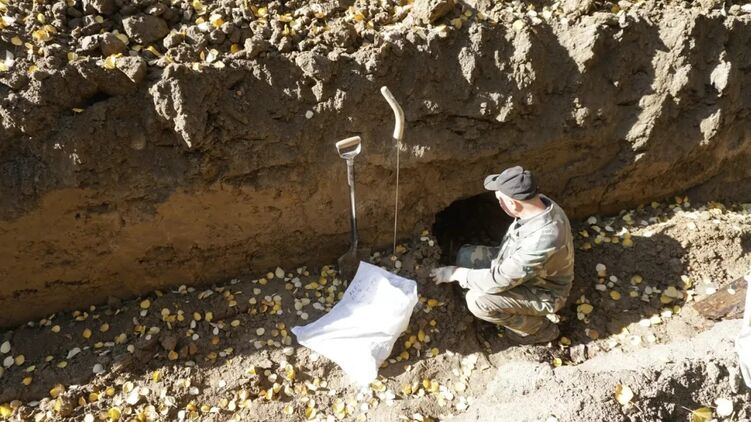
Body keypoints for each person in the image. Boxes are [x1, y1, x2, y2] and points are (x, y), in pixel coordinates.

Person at [430, 166, 574, 345]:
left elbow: (499, 280)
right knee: (466, 255)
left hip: (543, 291)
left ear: (513, 204)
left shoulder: (542, 239)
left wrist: (456, 274)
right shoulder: (539, 203)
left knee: (477, 301)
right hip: (517, 264)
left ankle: (539, 330)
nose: (498, 203)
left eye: (500, 199)